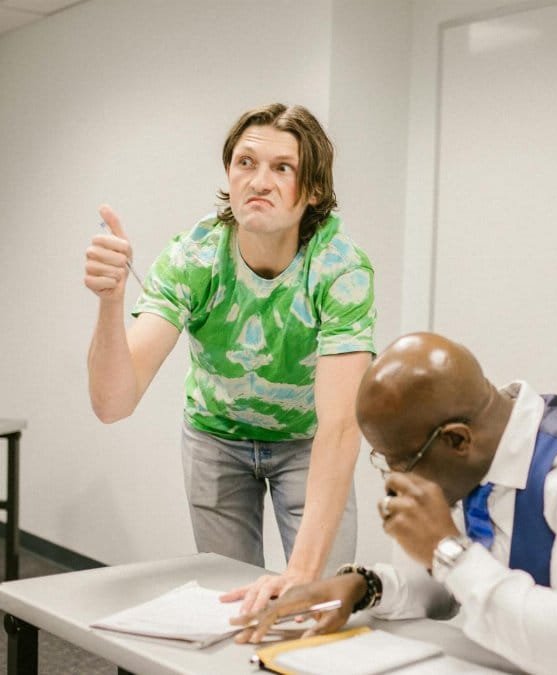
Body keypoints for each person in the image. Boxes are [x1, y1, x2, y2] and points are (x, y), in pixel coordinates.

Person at [234, 332, 557, 675]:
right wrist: (365, 586)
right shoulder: (480, 459)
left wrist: (447, 549)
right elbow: (453, 587)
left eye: (401, 461)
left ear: (456, 439)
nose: (396, 479)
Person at [84, 103, 375, 613]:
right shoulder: (193, 258)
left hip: (307, 442)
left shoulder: (339, 268)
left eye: (282, 168)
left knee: (321, 601)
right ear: (229, 173)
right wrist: (110, 303)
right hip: (216, 437)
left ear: (313, 190)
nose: (259, 181)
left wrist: (302, 576)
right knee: (230, 602)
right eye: (246, 163)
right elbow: (113, 404)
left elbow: (340, 428)